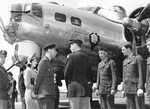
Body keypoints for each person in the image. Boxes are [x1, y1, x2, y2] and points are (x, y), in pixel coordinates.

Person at [64, 39, 92, 109]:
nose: (70, 48)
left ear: (74, 45)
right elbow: (90, 74)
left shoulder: (71, 56)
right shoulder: (87, 57)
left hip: (74, 89)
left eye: (70, 46)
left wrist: (68, 86)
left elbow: (66, 74)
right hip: (85, 89)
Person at [121, 42, 145, 109]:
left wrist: (140, 88)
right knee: (130, 107)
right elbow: (124, 76)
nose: (122, 51)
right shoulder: (125, 61)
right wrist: (123, 89)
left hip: (136, 88)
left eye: (123, 49)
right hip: (128, 89)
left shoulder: (138, 58)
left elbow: (141, 74)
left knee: (139, 107)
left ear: (128, 49)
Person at [33, 44, 58, 109]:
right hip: (45, 94)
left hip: (49, 94)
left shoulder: (48, 62)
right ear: (49, 50)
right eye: (54, 50)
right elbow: (38, 78)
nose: (56, 52)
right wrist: (35, 91)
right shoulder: (44, 62)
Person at [146, 38, 150, 103]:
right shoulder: (149, 59)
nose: (147, 47)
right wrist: (147, 89)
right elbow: (148, 76)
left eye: (149, 44)